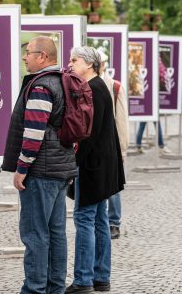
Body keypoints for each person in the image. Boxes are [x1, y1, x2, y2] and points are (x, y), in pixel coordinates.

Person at [1, 36, 77, 294]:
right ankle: (55, 288)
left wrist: (21, 168)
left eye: (29, 52)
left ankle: (34, 290)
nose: (25, 57)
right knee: (56, 234)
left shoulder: (42, 86)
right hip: (60, 169)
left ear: (43, 56)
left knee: (35, 235)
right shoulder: (63, 82)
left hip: (42, 171)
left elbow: (34, 132)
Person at [65, 47, 125, 294]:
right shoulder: (100, 87)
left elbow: (88, 135)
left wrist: (73, 165)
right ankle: (101, 277)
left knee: (85, 219)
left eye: (74, 60)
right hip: (103, 166)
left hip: (93, 167)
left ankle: (83, 280)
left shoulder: (93, 89)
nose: (69, 64)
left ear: (89, 65)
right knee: (99, 221)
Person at [98, 52, 129, 240]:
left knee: (113, 185)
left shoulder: (115, 86)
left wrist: (123, 148)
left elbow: (122, 120)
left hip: (112, 143)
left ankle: (114, 222)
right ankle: (100, 221)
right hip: (94, 144)